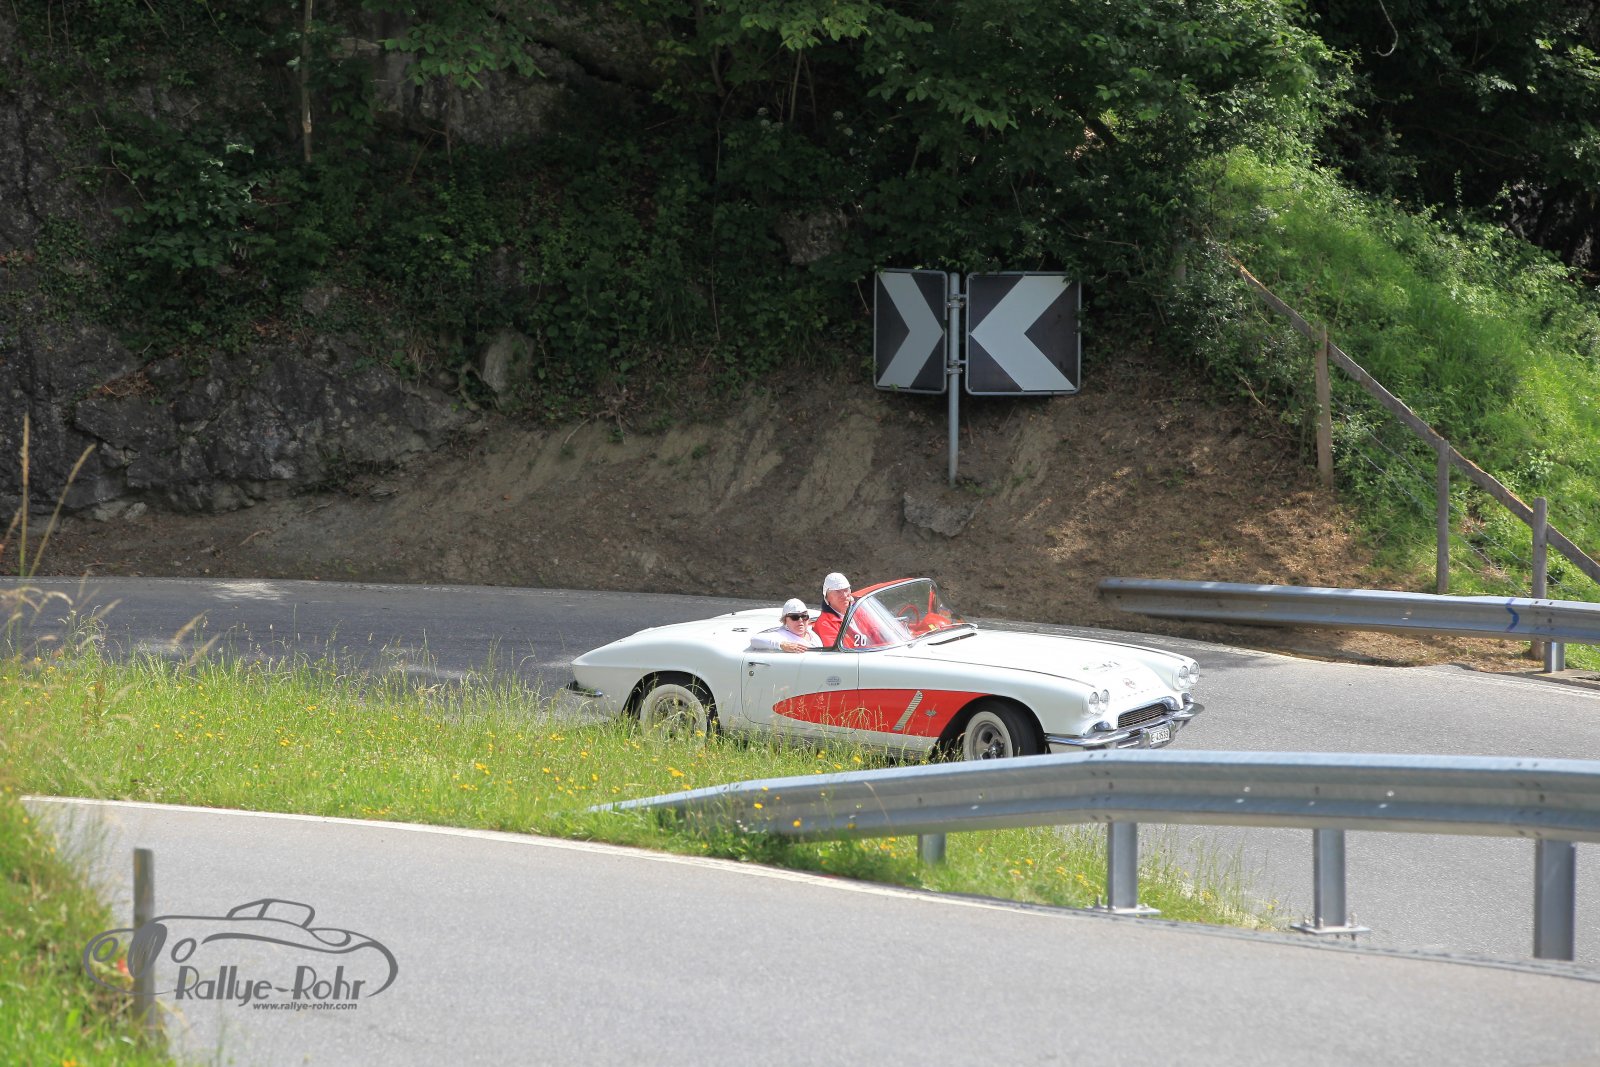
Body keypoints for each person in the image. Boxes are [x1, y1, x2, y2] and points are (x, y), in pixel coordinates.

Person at [748, 598, 821, 653]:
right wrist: (782, 645)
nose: (800, 620)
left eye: (804, 616)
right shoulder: (781, 636)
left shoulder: (812, 633)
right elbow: (754, 640)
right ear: (785, 620)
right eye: (794, 617)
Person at [811, 572, 853, 647]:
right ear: (827, 597)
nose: (844, 595)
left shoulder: (859, 610)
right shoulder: (825, 624)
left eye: (846, 590)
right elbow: (838, 651)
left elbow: (874, 630)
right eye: (838, 591)